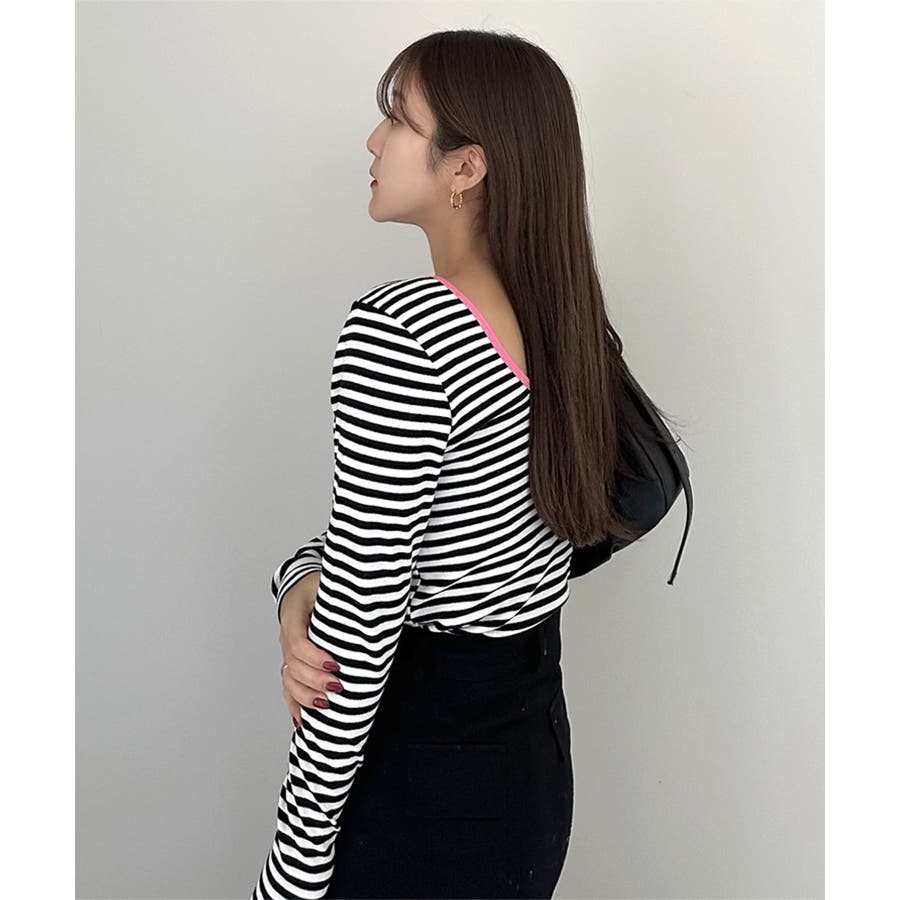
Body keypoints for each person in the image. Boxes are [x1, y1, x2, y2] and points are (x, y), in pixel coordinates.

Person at [252, 27, 672, 900]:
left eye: (397, 120)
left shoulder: (402, 333)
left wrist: (293, 868)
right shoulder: (558, 321)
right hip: (527, 770)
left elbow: (362, 624)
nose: (373, 141)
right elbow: (473, 559)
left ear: (466, 167)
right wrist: (300, 585)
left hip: (423, 789)